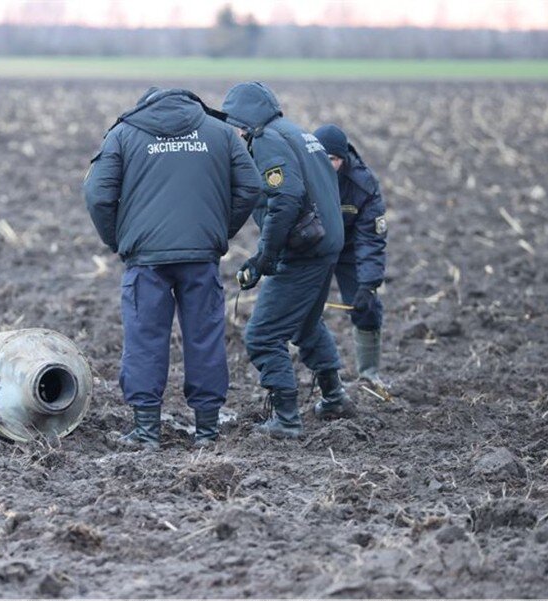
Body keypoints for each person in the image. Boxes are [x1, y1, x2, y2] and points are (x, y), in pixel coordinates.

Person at [83, 87, 263, 450]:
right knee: (205, 337)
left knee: (144, 338)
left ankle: (147, 431)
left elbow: (97, 194)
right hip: (200, 256)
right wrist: (218, 230)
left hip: (145, 259)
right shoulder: (221, 133)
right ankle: (208, 432)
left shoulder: (123, 134)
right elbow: (251, 186)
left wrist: (118, 239)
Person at [220, 81, 355, 439]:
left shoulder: (266, 141)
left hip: (305, 252)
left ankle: (286, 419)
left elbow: (286, 197)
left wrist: (265, 256)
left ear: (246, 122)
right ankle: (335, 397)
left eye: (232, 123)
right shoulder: (298, 133)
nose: (231, 131)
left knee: (263, 335)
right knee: (306, 324)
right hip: (327, 244)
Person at [314, 124, 388, 390]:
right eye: (321, 158)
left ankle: (368, 373)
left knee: (366, 307)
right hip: (313, 248)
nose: (326, 164)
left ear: (343, 159)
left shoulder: (362, 184)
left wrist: (369, 284)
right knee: (301, 309)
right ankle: (319, 373)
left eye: (332, 159)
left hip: (349, 250)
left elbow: (371, 238)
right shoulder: (302, 173)